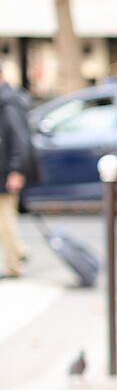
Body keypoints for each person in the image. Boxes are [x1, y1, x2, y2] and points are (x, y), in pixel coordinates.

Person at [0, 64, 33, 279]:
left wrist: (16, 170)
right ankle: (19, 252)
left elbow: (19, 138)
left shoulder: (8, 102)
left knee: (6, 219)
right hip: (6, 168)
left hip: (6, 170)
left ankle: (13, 264)